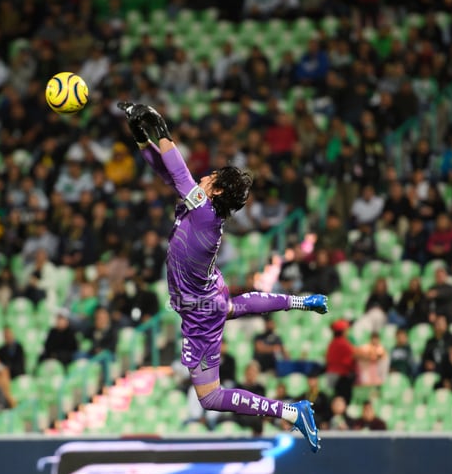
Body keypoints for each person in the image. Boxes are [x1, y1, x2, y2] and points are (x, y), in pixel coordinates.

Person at [119, 102, 327, 452]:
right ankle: (297, 301)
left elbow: (178, 170)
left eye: (211, 177)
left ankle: (293, 411)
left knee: (211, 396)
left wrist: (161, 130)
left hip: (199, 308)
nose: (204, 176)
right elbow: (166, 172)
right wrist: (143, 139)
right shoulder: (205, 211)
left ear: (213, 191)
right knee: (229, 307)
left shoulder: (202, 211)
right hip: (207, 293)